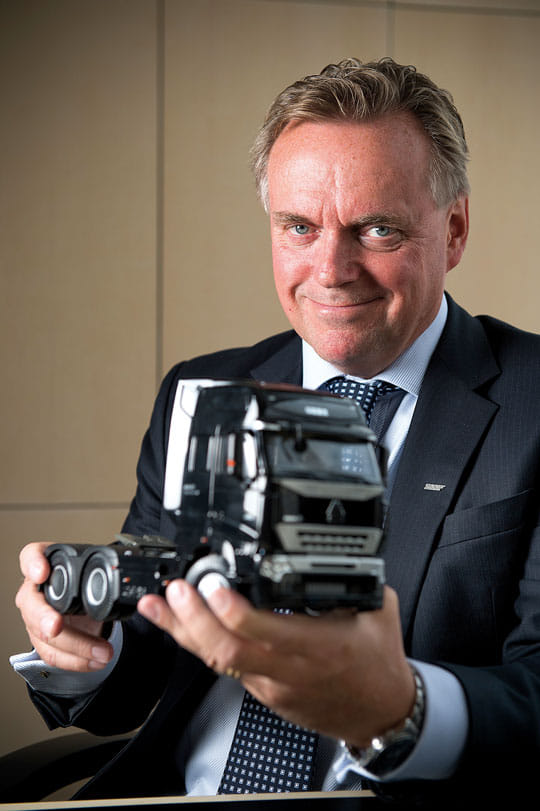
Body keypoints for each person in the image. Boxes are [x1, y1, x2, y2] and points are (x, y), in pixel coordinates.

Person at [12, 57, 540, 807]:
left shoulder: (533, 404)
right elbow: (151, 650)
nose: (331, 270)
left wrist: (403, 709)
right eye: (299, 227)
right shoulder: (199, 391)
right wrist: (87, 643)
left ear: (453, 231)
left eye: (377, 229)